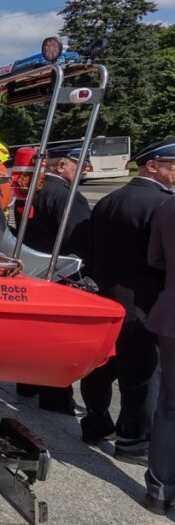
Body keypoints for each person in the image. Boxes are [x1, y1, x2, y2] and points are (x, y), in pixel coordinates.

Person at [81, 138, 175, 464]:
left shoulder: (109, 200)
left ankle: (95, 423)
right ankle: (133, 442)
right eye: (172, 166)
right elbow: (161, 259)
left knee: (101, 368)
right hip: (143, 302)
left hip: (106, 295)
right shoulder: (162, 204)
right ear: (152, 166)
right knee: (142, 377)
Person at [16, 148, 91, 414]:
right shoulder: (67, 196)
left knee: (31, 335)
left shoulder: (30, 190)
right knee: (56, 341)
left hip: (31, 270)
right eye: (79, 164)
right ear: (61, 166)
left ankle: (26, 385)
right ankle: (56, 398)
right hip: (59, 273)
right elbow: (79, 239)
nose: (86, 170)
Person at [145, 191, 175, 514]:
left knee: (169, 405)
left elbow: (154, 258)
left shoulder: (169, 205)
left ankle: (160, 490)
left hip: (170, 314)